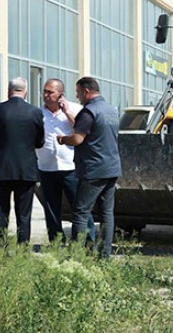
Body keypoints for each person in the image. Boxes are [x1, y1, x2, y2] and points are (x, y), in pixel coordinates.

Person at [58, 77, 121, 258]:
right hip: (111, 168)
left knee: (80, 212)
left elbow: (78, 138)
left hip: (93, 169)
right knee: (107, 214)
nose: (77, 97)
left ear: (86, 91)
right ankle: (105, 255)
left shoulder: (89, 112)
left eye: (78, 93)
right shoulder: (112, 110)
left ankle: (77, 255)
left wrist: (62, 139)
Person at [0, 77, 45, 249]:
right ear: (25, 91)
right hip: (26, 169)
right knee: (24, 213)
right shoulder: (35, 112)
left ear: (9, 91)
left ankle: (0, 249)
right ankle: (22, 249)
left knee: (0, 212)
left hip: (2, 168)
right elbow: (40, 142)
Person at [37, 78, 96, 243]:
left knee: (80, 206)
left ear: (60, 94)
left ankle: (88, 241)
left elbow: (83, 130)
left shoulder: (77, 109)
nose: (46, 95)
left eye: (51, 92)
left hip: (70, 166)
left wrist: (67, 112)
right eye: (45, 92)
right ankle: (57, 242)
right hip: (46, 167)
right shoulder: (38, 113)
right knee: (51, 207)